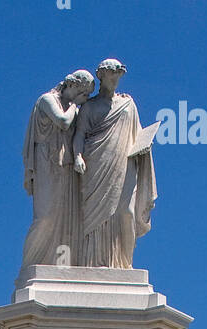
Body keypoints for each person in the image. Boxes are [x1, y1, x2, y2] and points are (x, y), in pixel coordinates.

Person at [72, 58, 156, 269]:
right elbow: (80, 133)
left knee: (126, 212)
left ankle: (123, 263)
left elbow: (137, 134)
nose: (116, 80)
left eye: (118, 76)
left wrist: (144, 148)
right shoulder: (89, 107)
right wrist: (77, 156)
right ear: (101, 76)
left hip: (125, 161)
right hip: (96, 163)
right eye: (112, 75)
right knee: (94, 216)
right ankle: (93, 262)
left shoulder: (128, 103)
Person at [21, 69, 95, 268]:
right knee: (45, 216)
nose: (85, 99)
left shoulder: (76, 109)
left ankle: (62, 264)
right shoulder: (47, 100)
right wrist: (74, 106)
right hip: (47, 161)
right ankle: (31, 265)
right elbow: (62, 122)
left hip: (67, 164)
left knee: (66, 216)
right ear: (74, 86)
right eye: (84, 94)